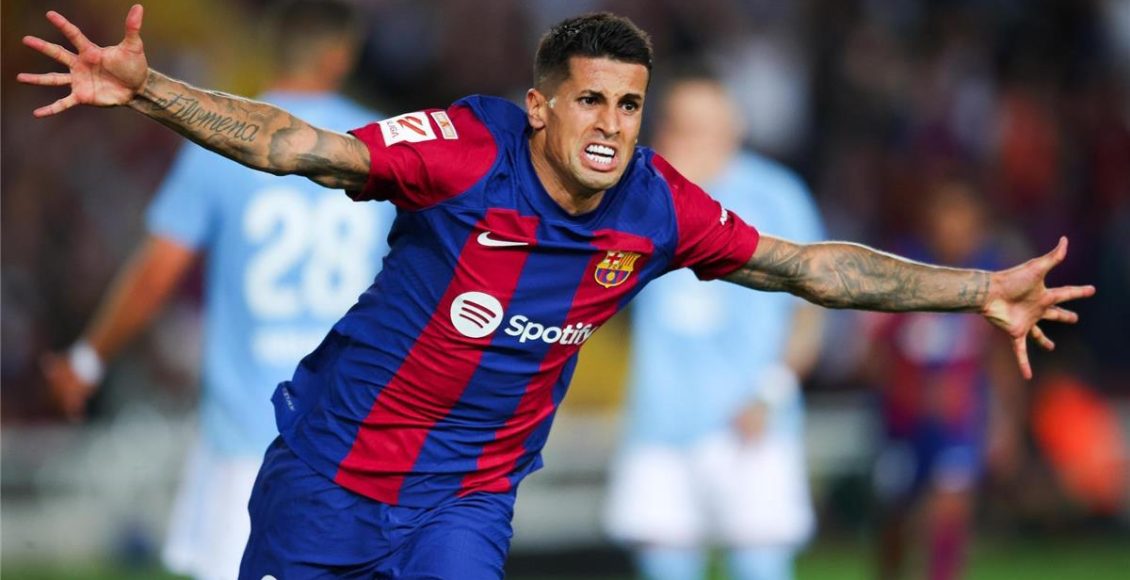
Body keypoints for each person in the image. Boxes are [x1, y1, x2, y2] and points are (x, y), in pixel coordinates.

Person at [20, 6, 1094, 579]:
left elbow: (807, 267)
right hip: (328, 476)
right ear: (539, 107)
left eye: (628, 106)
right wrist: (149, 91)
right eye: (589, 102)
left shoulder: (657, 206)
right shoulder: (461, 150)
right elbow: (298, 144)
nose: (611, 126)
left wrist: (976, 290)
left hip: (463, 504)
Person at [35, 2, 394, 579]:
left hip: (247, 432)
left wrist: (86, 360)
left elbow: (157, 271)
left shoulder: (222, 143)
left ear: (274, 47)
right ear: (341, 55)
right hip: (351, 431)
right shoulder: (378, 147)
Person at [603, 73, 824, 580]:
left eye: (705, 125)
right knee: (664, 566)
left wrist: (771, 392)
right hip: (659, 422)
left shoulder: (774, 195)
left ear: (732, 127)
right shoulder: (636, 194)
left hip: (751, 421)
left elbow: (810, 310)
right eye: (681, 124)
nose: (692, 137)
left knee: (760, 564)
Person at [866, 181, 1023, 580]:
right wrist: (904, 386)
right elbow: (874, 350)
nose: (952, 227)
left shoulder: (992, 276)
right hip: (903, 418)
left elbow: (1000, 355)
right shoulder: (904, 271)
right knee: (896, 514)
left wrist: (1005, 422)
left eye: (962, 218)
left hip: (958, 418)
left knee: (951, 507)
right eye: (944, 216)